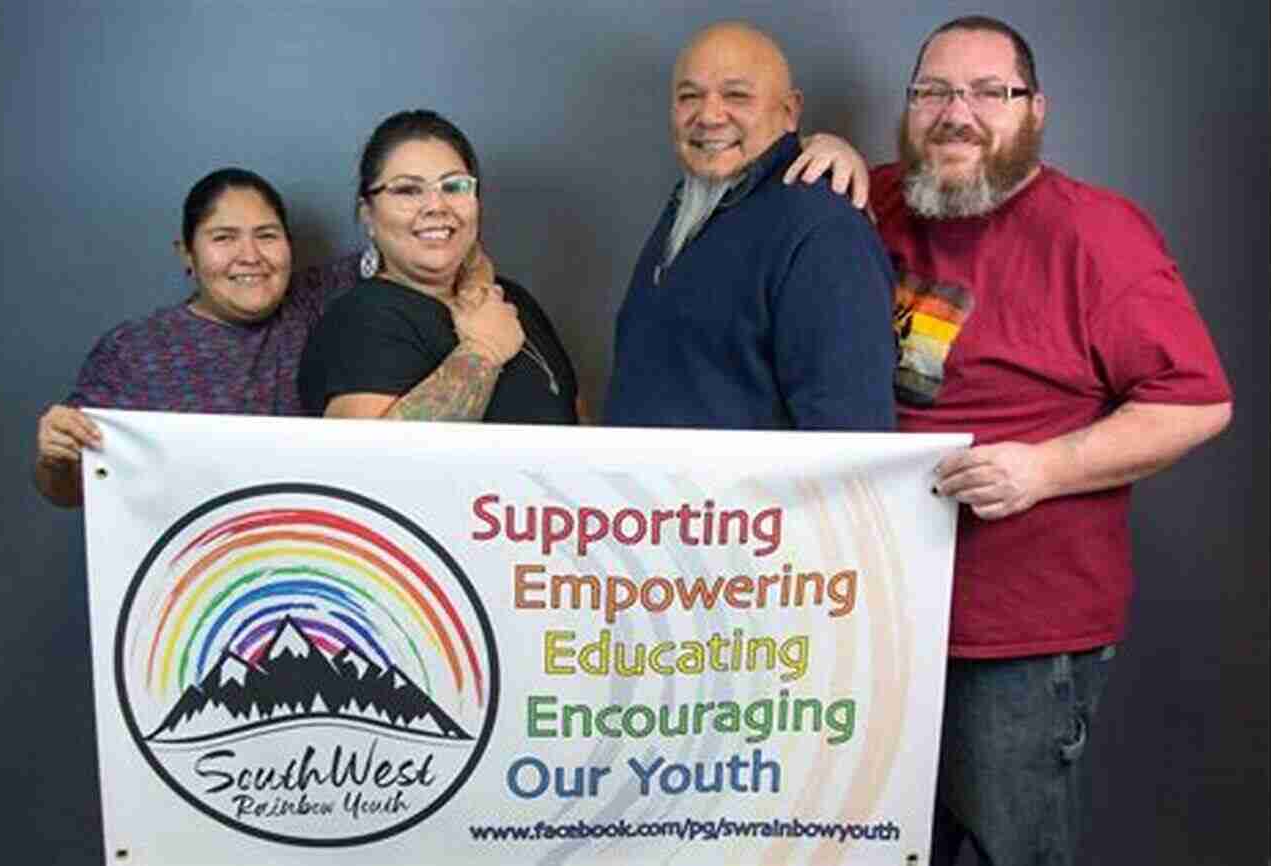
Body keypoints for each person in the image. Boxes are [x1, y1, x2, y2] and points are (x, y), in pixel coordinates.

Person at [791, 15, 1232, 865]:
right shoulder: (867, 202)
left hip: (1016, 645)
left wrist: (1046, 467)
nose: (957, 113)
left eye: (990, 92)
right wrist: (822, 147)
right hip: (871, 623)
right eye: (933, 92)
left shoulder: (1098, 237)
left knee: (1009, 853)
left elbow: (1197, 401)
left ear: (1036, 110)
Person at [602, 21, 895, 431]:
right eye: (690, 97)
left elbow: (849, 433)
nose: (709, 115)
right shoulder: (694, 204)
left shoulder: (823, 231)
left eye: (736, 96)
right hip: (659, 495)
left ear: (790, 112)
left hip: (741, 497)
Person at [33, 168, 356, 508]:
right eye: (223, 237)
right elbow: (67, 492)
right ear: (187, 253)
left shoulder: (319, 302)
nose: (250, 256)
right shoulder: (135, 351)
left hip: (315, 544)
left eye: (266, 235)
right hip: (187, 550)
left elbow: (399, 250)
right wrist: (56, 458)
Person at [297, 110, 577, 425]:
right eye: (407, 189)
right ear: (368, 216)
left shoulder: (513, 301)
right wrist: (483, 352)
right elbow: (367, 463)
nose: (436, 206)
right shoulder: (358, 321)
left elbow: (580, 427)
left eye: (454, 186)